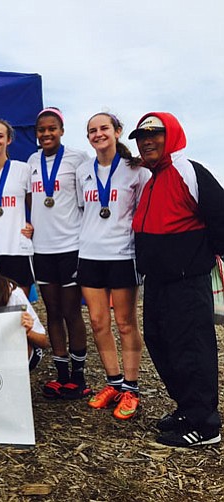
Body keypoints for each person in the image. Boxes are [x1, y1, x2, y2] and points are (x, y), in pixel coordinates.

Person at [130, 112, 224, 446]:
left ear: (171, 136)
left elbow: (219, 215)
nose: (147, 141)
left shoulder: (189, 171)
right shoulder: (153, 177)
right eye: (141, 137)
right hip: (157, 280)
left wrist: (212, 257)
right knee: (160, 342)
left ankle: (205, 424)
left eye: (154, 135)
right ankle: (187, 407)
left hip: (187, 281)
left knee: (191, 348)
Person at [77, 113, 149, 420]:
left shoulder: (136, 170)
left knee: (125, 323)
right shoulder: (83, 171)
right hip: (90, 253)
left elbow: (145, 211)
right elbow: (83, 210)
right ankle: (113, 382)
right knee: (97, 322)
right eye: (92, 130)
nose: (98, 134)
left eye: (104, 128)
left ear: (117, 131)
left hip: (122, 254)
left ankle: (131, 389)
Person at [27, 107, 91, 400]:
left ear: (62, 130)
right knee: (52, 311)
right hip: (42, 249)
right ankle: (61, 374)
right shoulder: (32, 161)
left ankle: (79, 376)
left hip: (70, 246)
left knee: (70, 311)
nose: (46, 134)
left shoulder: (77, 159)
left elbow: (90, 196)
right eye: (41, 130)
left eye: (51, 128)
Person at [0, 119, 34, 297]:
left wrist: (32, 224)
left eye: (0, 136)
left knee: (19, 308)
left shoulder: (23, 169)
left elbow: (33, 205)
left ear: (8, 140)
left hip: (17, 247)